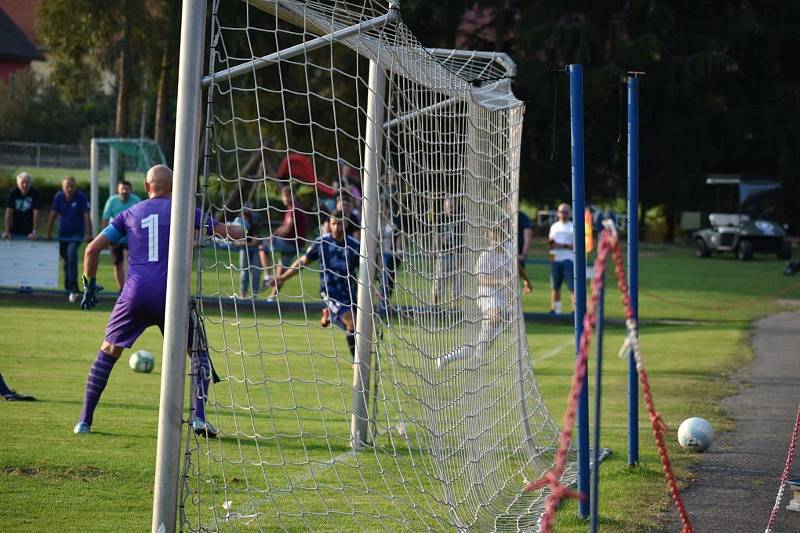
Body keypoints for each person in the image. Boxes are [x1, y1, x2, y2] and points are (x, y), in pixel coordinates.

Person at [73, 165, 244, 436]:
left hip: (135, 295)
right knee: (197, 352)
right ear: (174, 186)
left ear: (146, 185)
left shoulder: (129, 213)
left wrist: (89, 286)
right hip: (171, 295)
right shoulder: (184, 210)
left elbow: (92, 249)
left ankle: (84, 421)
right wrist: (243, 228)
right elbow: (228, 232)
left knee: (108, 351)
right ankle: (198, 417)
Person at [270, 210, 360, 359]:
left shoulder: (355, 246)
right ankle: (357, 362)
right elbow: (302, 262)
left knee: (360, 327)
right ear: (329, 224)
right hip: (330, 291)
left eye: (340, 223)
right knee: (352, 322)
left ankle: (330, 315)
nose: (337, 227)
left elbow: (364, 270)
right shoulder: (321, 242)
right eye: (334, 223)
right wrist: (282, 277)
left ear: (346, 224)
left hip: (351, 292)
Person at [436, 226, 514, 369]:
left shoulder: (509, 252)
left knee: (482, 344)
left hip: (502, 297)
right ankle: (476, 360)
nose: (495, 242)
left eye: (498, 239)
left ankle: (446, 358)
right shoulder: (485, 255)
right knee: (494, 315)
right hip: (487, 293)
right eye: (492, 240)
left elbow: (516, 267)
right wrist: (502, 281)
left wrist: (526, 281)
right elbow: (482, 280)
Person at [46, 176, 91, 301]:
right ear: (63, 187)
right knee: (65, 260)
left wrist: (89, 234)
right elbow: (53, 214)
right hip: (63, 234)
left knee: (71, 253)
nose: (70, 189)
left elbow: (87, 215)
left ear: (75, 187)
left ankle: (74, 286)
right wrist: (48, 233)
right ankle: (67, 288)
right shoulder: (59, 197)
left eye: (72, 186)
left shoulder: (81, 197)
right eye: (67, 186)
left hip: (77, 234)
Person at [260, 185, 309, 287]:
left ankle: (267, 276)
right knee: (281, 274)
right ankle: (272, 299)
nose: (286, 198)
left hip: (290, 243)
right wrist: (273, 235)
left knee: (262, 247)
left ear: (293, 196)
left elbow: (287, 229)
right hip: (296, 245)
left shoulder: (293, 209)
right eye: (284, 196)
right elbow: (284, 226)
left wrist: (273, 238)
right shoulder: (293, 208)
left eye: (288, 196)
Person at [101, 180, 142, 290]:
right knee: (117, 264)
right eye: (122, 189)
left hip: (132, 237)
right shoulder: (112, 201)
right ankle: (121, 290)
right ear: (118, 190)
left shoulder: (136, 200)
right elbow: (105, 218)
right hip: (116, 237)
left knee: (131, 264)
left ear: (131, 190)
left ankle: (131, 288)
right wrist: (105, 238)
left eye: (127, 189)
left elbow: (141, 220)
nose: (124, 191)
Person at [432, 197, 463, 305]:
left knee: (457, 283)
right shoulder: (441, 218)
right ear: (444, 207)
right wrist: (436, 251)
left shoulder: (460, 218)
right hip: (444, 254)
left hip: (458, 255)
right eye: (448, 206)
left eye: (452, 206)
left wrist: (463, 256)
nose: (450, 209)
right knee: (439, 281)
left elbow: (464, 237)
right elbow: (438, 236)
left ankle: (455, 307)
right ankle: (435, 305)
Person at [548, 203, 575, 314]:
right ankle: (555, 310)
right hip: (555, 259)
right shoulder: (554, 226)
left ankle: (575, 310)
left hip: (568, 259)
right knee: (555, 286)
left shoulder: (573, 226)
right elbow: (550, 242)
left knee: (572, 287)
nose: (563, 214)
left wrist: (563, 245)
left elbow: (577, 245)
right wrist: (552, 244)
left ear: (569, 213)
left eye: (565, 212)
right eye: (560, 212)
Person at [3, 172, 42, 241]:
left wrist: (34, 232)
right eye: (22, 183)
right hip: (14, 228)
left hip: (29, 229)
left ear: (30, 183)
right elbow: (8, 212)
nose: (24, 185)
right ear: (17, 183)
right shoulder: (13, 193)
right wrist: (7, 231)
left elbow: (36, 213)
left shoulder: (35, 194)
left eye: (27, 183)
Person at [518, 209, 534, 294]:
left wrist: (523, 254)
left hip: (517, 253)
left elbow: (527, 236)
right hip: (503, 252)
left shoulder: (523, 218)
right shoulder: (502, 217)